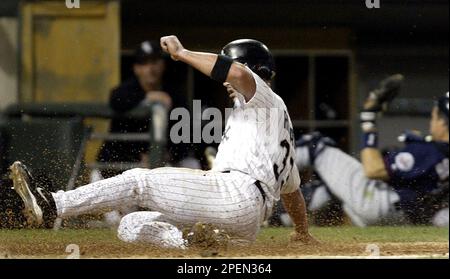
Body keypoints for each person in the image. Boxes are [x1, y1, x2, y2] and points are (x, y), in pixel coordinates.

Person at [8, 36, 316, 249]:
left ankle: (52, 204)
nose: (226, 82)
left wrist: (182, 53)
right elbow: (293, 193)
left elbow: (236, 71)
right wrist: (302, 233)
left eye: (231, 73)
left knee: (138, 181)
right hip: (246, 223)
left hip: (234, 194)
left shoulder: (262, 94)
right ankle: (193, 244)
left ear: (257, 72)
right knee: (131, 225)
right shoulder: (275, 121)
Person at [296, 80, 449, 227]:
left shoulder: (428, 151)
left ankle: (272, 173)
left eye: (434, 117)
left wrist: (368, 121)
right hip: (400, 219)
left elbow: (373, 170)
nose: (432, 123)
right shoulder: (441, 154)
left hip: (377, 202)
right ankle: (281, 219)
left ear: (443, 122)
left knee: (315, 146)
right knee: (327, 189)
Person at [97, 40, 173, 178]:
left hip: (157, 167)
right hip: (117, 168)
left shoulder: (172, 92)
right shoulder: (126, 90)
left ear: (162, 64)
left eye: (154, 62)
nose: (150, 68)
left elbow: (182, 133)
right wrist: (148, 96)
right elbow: (116, 100)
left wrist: (168, 153)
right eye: (144, 63)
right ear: (136, 68)